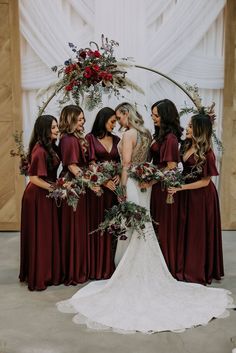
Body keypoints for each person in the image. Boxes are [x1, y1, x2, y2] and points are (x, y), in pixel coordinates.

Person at [56, 102, 233, 334]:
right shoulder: (146, 133)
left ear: (125, 114)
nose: (117, 122)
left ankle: (130, 265)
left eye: (118, 117)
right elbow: (148, 161)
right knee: (140, 222)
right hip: (144, 184)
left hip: (132, 181)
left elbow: (127, 164)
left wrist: (120, 186)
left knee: (134, 223)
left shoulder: (130, 134)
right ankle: (133, 260)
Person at [168, 112, 224, 284]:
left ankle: (196, 269)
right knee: (185, 229)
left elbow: (206, 182)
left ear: (199, 130)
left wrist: (181, 187)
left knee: (196, 233)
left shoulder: (207, 153)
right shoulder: (185, 145)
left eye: (191, 126)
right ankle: (183, 266)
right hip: (185, 193)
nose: (187, 128)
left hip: (201, 196)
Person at [19, 115, 61, 291]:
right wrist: (54, 189)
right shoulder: (39, 150)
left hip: (46, 193)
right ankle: (40, 275)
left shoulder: (49, 147)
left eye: (57, 126)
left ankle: (46, 272)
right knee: (41, 235)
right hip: (37, 195)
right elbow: (34, 178)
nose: (57, 130)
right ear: (44, 130)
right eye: (53, 127)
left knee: (45, 234)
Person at [148, 99, 183, 278]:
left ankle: (166, 265)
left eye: (156, 115)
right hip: (156, 186)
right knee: (156, 223)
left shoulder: (170, 138)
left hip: (163, 187)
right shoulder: (161, 134)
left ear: (166, 116)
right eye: (152, 115)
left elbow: (170, 165)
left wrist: (151, 180)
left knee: (163, 225)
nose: (153, 118)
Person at [86, 107, 120, 279]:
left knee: (111, 225)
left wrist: (119, 176)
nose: (115, 125)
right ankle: (95, 266)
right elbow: (90, 163)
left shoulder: (117, 139)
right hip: (98, 189)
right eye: (112, 121)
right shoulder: (90, 138)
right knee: (96, 225)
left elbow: (122, 162)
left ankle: (109, 266)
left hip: (113, 190)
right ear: (103, 119)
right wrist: (102, 180)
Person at [59, 105, 89, 285]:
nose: (83, 122)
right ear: (70, 120)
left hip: (77, 184)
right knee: (75, 228)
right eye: (79, 119)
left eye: (83, 119)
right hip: (73, 186)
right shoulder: (69, 140)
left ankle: (76, 267)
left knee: (76, 228)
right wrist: (91, 180)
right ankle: (74, 270)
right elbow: (72, 166)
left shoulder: (71, 138)